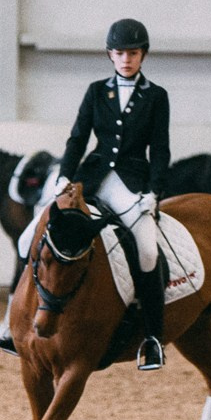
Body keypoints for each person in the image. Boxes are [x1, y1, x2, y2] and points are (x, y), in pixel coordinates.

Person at [49, 18, 171, 370]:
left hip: (132, 181)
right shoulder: (95, 91)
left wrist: (154, 191)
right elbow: (77, 138)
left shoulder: (157, 96)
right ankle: (17, 321)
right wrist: (63, 177)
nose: (126, 59)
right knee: (36, 233)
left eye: (132, 53)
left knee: (147, 251)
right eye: (119, 53)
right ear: (110, 55)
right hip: (92, 177)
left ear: (142, 55)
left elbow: (160, 149)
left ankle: (152, 339)